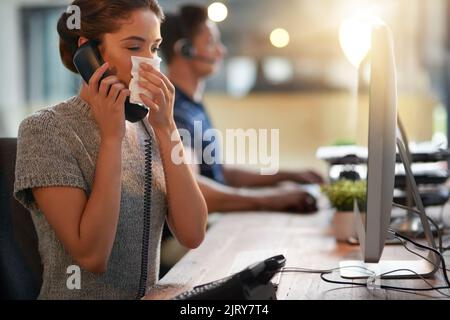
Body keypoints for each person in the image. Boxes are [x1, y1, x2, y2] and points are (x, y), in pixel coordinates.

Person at [13, 0, 207, 300]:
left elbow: (193, 233)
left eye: (154, 48)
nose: (149, 62)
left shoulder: (148, 127)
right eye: (133, 48)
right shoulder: (45, 130)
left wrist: (167, 128)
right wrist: (111, 139)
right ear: (88, 53)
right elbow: (92, 257)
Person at [160, 5, 324, 214]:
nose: (222, 50)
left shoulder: (192, 106)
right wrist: (271, 200)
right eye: (211, 43)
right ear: (186, 49)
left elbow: (220, 173)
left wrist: (287, 176)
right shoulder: (173, 111)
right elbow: (192, 189)